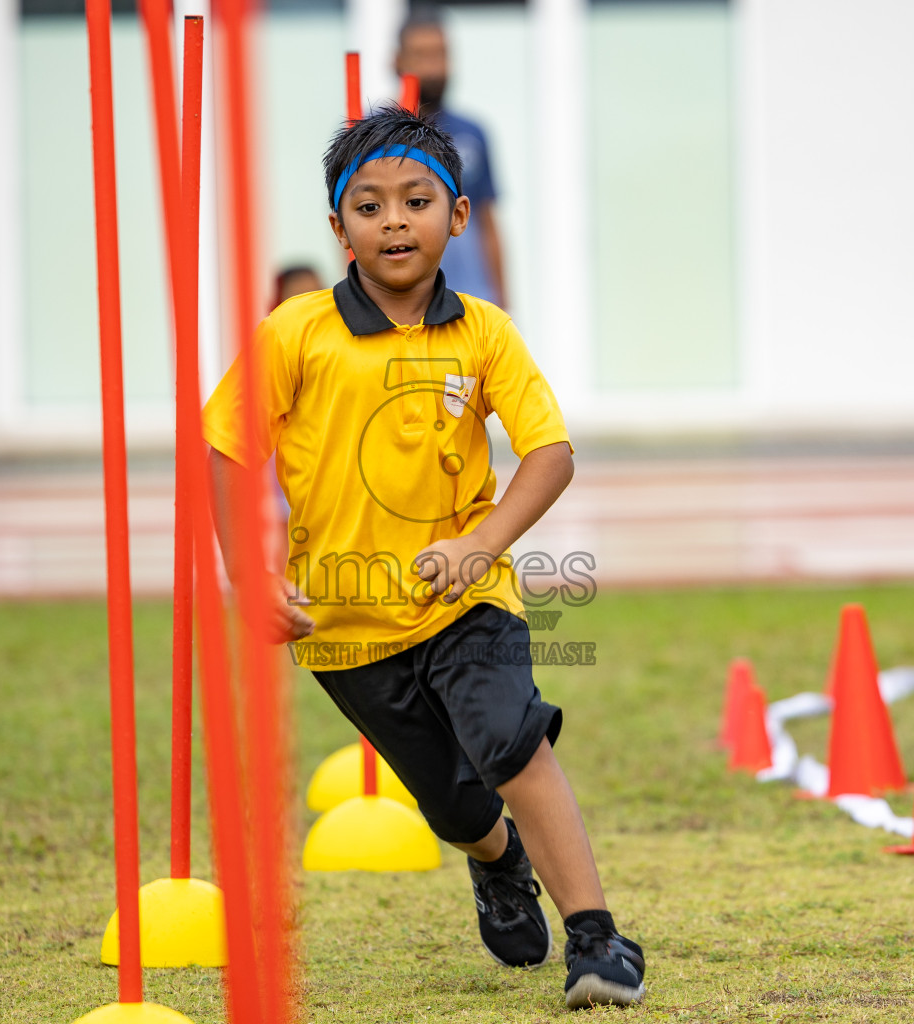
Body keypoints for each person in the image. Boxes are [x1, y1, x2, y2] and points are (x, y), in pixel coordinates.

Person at [200, 105, 645, 1009]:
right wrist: (249, 578)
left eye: (416, 200)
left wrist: (481, 545)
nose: (394, 220)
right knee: (454, 804)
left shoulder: (483, 331)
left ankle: (598, 940)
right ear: (338, 229)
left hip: (468, 600)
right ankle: (498, 862)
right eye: (368, 206)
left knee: (512, 742)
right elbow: (227, 448)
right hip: (342, 620)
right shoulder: (295, 333)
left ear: (459, 215)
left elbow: (549, 454)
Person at [395, 6, 508, 309]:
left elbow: (487, 222)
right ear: (397, 60)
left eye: (441, 54)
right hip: (403, 308)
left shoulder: (472, 133)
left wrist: (504, 305)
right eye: (423, 55)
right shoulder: (374, 138)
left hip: (471, 304)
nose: (434, 68)